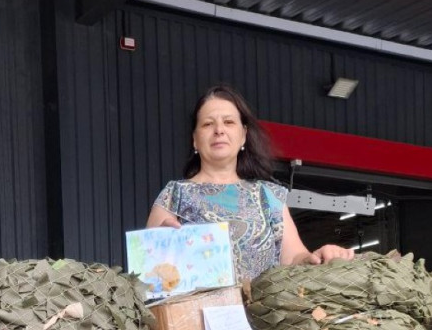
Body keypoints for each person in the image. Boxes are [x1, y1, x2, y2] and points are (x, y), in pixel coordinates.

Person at [146, 84, 354, 281]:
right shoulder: (173, 196)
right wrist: (158, 247)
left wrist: (318, 257)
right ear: (195, 139)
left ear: (243, 135)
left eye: (229, 122)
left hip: (262, 307)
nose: (219, 130)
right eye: (208, 124)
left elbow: (293, 258)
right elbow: (150, 276)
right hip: (196, 308)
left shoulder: (270, 196)